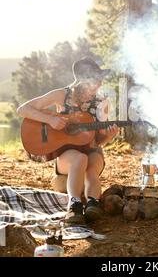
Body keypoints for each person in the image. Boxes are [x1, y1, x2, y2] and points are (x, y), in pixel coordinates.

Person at [17, 57, 118, 224]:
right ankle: (74, 206)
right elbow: (23, 109)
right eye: (96, 80)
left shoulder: (102, 102)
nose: (100, 84)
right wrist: (50, 120)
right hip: (67, 154)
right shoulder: (61, 95)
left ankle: (93, 204)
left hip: (91, 148)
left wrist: (109, 135)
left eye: (101, 80)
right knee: (80, 158)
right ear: (82, 81)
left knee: (91, 166)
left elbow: (99, 140)